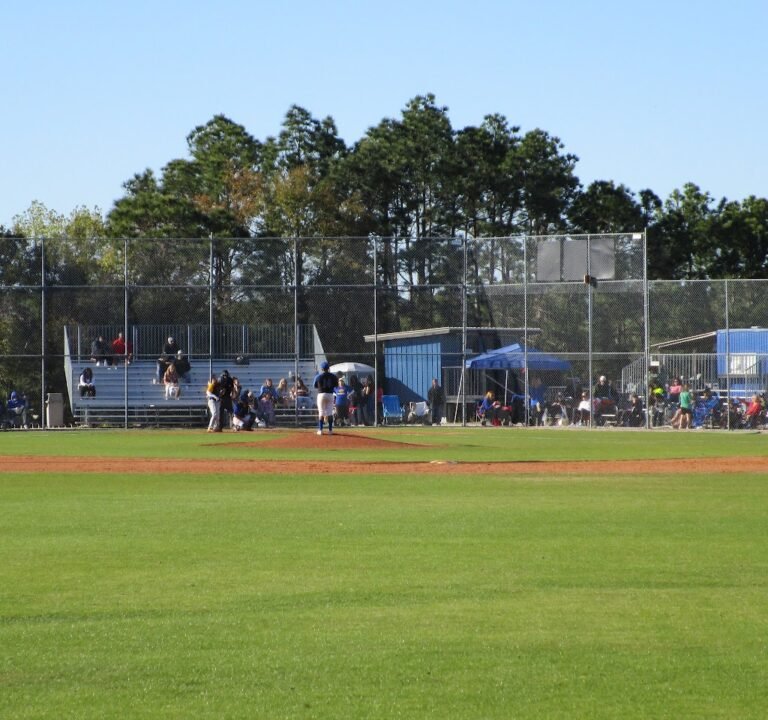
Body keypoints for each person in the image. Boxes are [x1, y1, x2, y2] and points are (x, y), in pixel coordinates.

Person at [313, 361, 338, 435]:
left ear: (322, 368)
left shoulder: (318, 376)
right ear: (328, 368)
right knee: (329, 413)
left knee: (321, 412)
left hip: (321, 394)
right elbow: (336, 385)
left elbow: (315, 386)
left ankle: (320, 430)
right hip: (330, 394)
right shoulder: (333, 376)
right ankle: (330, 430)